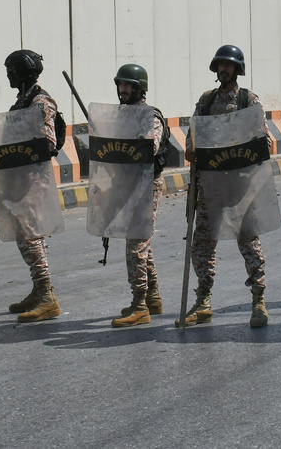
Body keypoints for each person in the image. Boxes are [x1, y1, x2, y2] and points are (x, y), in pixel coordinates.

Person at [177, 45, 271, 328]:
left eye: (228, 65)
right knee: (202, 245)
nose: (223, 69)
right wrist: (191, 148)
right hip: (209, 187)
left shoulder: (248, 101)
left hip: (239, 188)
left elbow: (263, 142)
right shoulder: (206, 101)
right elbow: (194, 133)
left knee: (249, 245)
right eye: (220, 65)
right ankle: (203, 300)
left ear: (237, 69)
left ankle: (258, 301)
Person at [4, 50, 62, 323]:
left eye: (12, 70)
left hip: (34, 178)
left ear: (23, 72)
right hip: (18, 177)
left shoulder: (40, 102)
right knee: (22, 235)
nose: (8, 75)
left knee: (30, 234)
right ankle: (39, 289)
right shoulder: (22, 102)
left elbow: (47, 143)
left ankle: (48, 296)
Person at [111, 64, 170, 328]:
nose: (122, 90)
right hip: (128, 184)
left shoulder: (150, 117)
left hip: (146, 185)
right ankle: (153, 296)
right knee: (141, 242)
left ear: (139, 88)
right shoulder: (122, 115)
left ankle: (139, 305)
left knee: (136, 244)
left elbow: (148, 147)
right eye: (120, 85)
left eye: (128, 85)